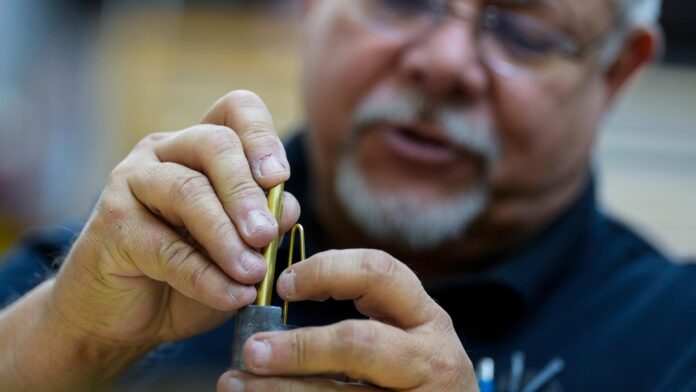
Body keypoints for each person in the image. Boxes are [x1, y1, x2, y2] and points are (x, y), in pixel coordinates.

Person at [1, 0, 694, 391]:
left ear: (617, 75)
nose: (444, 61)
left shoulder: (676, 345)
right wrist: (71, 343)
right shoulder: (95, 271)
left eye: (525, 31)